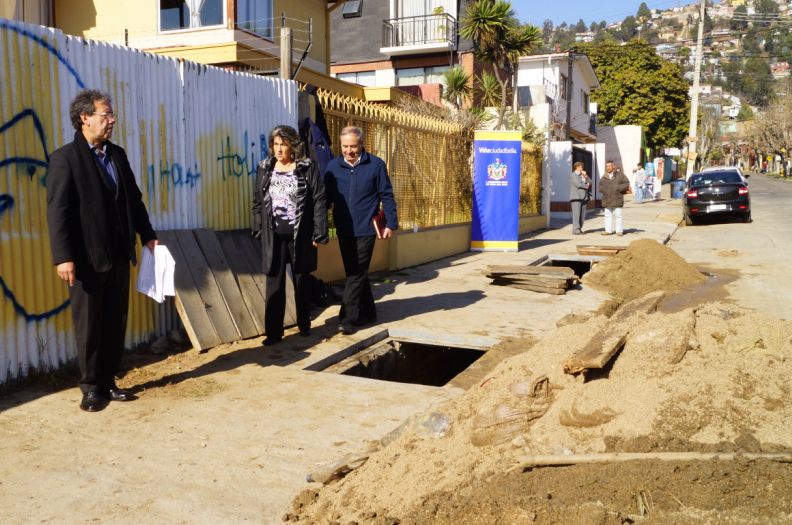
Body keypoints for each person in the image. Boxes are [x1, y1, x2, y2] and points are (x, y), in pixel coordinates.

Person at [46, 89, 157, 412]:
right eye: (105, 115)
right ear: (85, 118)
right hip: (86, 260)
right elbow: (58, 212)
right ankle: (91, 387)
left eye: (111, 115)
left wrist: (147, 235)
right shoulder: (65, 159)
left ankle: (109, 381)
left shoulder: (117, 155)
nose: (112, 121)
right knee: (90, 325)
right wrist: (62, 256)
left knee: (114, 322)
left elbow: (133, 201)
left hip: (119, 255)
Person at [252, 125, 328, 346]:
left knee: (301, 279)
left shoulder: (306, 167)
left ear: (292, 146)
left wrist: (319, 231)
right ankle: (273, 333)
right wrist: (258, 228)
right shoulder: (265, 168)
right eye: (275, 144)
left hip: (301, 235)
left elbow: (319, 199)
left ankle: (304, 323)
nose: (279, 149)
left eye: (283, 144)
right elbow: (257, 201)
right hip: (273, 235)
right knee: (273, 282)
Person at [324, 126, 398, 335]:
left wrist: (391, 223)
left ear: (362, 144)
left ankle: (348, 317)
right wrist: (318, 226)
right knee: (354, 272)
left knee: (356, 272)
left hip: (366, 228)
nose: (349, 151)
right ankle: (369, 312)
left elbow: (386, 195)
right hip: (344, 228)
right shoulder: (332, 167)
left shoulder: (375, 165)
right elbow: (325, 199)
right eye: (345, 146)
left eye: (353, 146)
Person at [599, 160, 630, 236]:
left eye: (609, 166)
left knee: (618, 215)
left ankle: (619, 231)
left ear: (613, 167)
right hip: (607, 199)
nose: (607, 167)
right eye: (606, 166)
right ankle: (608, 231)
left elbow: (626, 183)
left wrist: (619, 188)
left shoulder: (620, 175)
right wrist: (604, 190)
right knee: (607, 215)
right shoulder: (604, 176)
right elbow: (600, 186)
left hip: (617, 198)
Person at [568, 161, 591, 235]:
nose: (582, 168)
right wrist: (586, 185)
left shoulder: (583, 175)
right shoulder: (573, 175)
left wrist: (586, 176)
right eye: (581, 167)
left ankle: (579, 228)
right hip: (576, 197)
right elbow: (578, 184)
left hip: (584, 197)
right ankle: (576, 230)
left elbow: (590, 182)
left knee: (582, 215)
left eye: (582, 166)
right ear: (577, 167)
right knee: (576, 214)